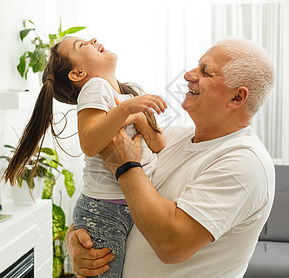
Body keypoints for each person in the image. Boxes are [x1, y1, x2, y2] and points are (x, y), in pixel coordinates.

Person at [66, 37, 276, 278]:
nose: (188, 74)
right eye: (197, 65)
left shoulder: (244, 162)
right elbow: (112, 203)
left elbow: (171, 245)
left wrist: (126, 165)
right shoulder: (170, 138)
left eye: (205, 72)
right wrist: (76, 242)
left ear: (237, 98)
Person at [2, 37, 167, 277]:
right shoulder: (96, 87)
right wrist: (126, 110)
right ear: (79, 73)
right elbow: (89, 143)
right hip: (104, 210)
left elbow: (159, 144)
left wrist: (139, 117)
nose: (93, 39)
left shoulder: (126, 95)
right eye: (82, 45)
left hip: (127, 205)